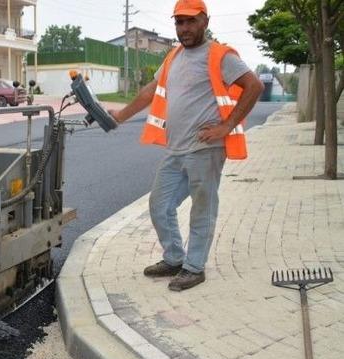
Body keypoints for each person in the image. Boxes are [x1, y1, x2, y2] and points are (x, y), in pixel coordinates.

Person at [108, 0, 264, 292]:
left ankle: (194, 267)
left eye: (190, 21)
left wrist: (226, 126)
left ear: (205, 21)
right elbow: (150, 91)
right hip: (175, 149)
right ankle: (174, 258)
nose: (184, 28)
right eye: (179, 22)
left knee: (202, 210)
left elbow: (254, 86)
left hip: (205, 149)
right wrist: (122, 115)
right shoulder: (173, 57)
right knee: (159, 205)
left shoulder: (220, 55)